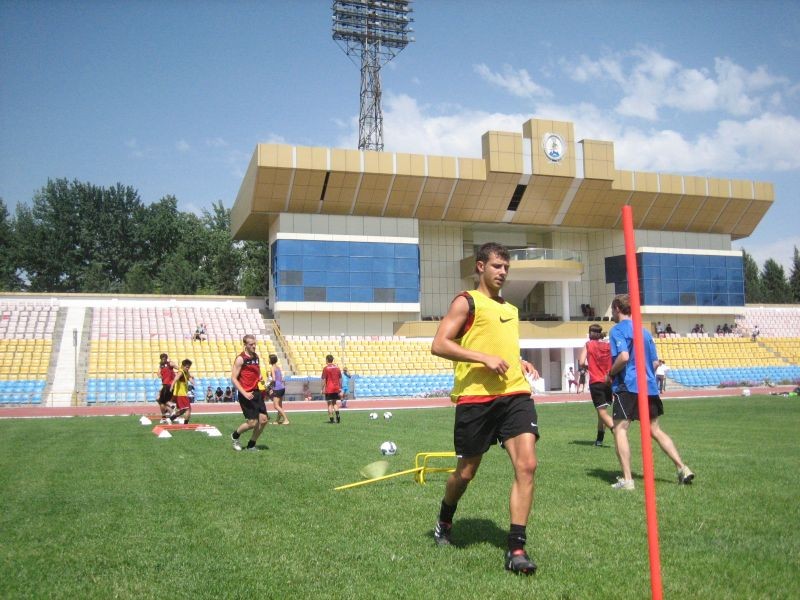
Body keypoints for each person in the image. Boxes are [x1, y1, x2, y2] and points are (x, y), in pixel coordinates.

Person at [430, 242, 541, 576]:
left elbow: (500, 344)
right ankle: (445, 519)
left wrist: (518, 360)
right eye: (496, 266)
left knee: (527, 465)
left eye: (506, 267)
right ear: (480, 266)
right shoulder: (466, 302)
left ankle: (516, 548)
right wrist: (483, 358)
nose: (503, 272)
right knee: (465, 473)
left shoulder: (511, 309)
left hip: (515, 394)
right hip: (476, 399)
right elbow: (439, 344)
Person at [605, 294, 694, 490]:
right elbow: (654, 362)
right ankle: (682, 468)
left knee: (620, 429)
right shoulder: (644, 332)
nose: (612, 313)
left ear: (618, 308)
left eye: (612, 309)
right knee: (655, 429)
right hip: (649, 387)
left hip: (627, 386)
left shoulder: (617, 330)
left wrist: (610, 373)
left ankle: (628, 480)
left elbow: (623, 356)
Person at [230, 334, 269, 451]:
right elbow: (233, 378)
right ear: (245, 345)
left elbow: (256, 371)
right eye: (251, 344)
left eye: (254, 344)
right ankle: (235, 436)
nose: (254, 346)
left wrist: (260, 377)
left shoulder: (256, 356)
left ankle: (251, 445)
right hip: (246, 394)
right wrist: (245, 393)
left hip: (256, 392)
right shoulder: (240, 359)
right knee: (252, 423)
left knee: (263, 420)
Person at [578, 323, 615, 446]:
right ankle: (599, 440)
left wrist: (589, 367)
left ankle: (616, 430)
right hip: (608, 382)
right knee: (601, 413)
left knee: (602, 413)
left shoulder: (588, 344)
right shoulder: (608, 346)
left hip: (596, 382)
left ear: (590, 334)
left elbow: (581, 362)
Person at [170, 359, 194, 424]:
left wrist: (192, 381)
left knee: (183, 410)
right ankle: (186, 424)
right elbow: (176, 379)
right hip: (181, 394)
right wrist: (172, 386)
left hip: (182, 394)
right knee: (188, 409)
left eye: (189, 367)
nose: (188, 368)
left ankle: (170, 419)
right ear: (182, 366)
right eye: (187, 367)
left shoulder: (186, 372)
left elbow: (190, 378)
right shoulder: (181, 372)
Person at [268, 354, 289, 425]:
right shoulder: (278, 367)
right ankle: (277, 420)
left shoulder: (272, 368)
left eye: (269, 359)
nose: (268, 360)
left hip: (277, 388)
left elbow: (274, 379)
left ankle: (286, 419)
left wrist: (269, 385)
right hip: (282, 387)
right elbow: (280, 378)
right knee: (280, 406)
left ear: (271, 360)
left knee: (276, 406)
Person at [156, 353, 177, 424]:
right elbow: (158, 373)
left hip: (169, 385)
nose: (163, 360)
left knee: (160, 400)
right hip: (165, 385)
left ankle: (166, 415)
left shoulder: (170, 363)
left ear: (166, 358)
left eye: (164, 358)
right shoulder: (161, 365)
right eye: (162, 359)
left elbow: (178, 368)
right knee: (159, 400)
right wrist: (160, 375)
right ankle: (171, 409)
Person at [322, 354, 343, 424]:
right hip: (336, 388)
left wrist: (322, 388)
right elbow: (340, 379)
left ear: (327, 360)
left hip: (329, 388)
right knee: (334, 403)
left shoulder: (326, 368)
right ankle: (338, 415)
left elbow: (324, 380)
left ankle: (331, 419)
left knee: (329, 404)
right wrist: (340, 388)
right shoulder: (337, 368)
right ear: (332, 360)